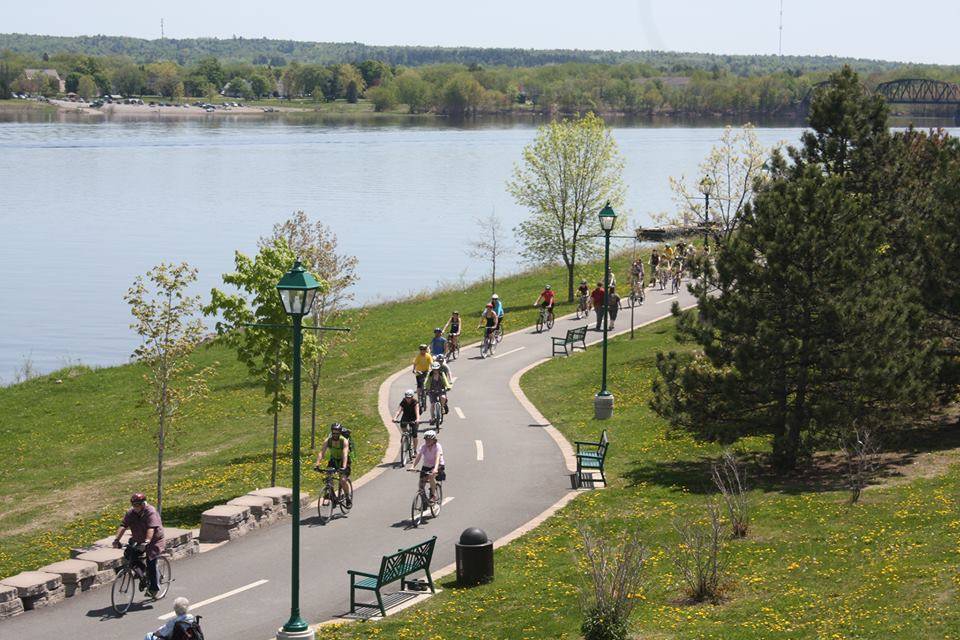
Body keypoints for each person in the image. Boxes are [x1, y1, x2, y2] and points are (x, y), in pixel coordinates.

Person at [113, 493, 165, 599]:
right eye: (134, 504)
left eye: (138, 504)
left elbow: (151, 528)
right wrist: (116, 540)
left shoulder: (150, 511)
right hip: (138, 538)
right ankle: (143, 575)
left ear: (143, 503)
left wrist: (146, 541)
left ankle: (153, 589)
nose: (135, 507)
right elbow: (123, 525)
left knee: (151, 561)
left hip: (154, 540)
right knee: (129, 555)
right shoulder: (131, 513)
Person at [316, 423, 351, 505]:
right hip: (333, 460)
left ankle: (347, 496)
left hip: (343, 461)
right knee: (328, 478)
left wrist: (344, 467)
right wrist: (317, 464)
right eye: (334, 433)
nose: (335, 435)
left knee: (342, 480)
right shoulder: (328, 440)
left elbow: (345, 454)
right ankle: (333, 496)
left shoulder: (344, 441)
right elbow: (322, 452)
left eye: (337, 433)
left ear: (340, 433)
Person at [410, 429, 445, 503]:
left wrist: (435, 469)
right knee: (421, 484)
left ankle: (433, 495)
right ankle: (424, 501)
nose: (427, 441)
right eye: (426, 439)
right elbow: (418, 457)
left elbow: (437, 458)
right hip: (427, 465)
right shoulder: (423, 446)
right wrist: (413, 466)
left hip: (438, 465)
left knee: (431, 476)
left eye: (429, 440)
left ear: (434, 440)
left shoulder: (437, 446)